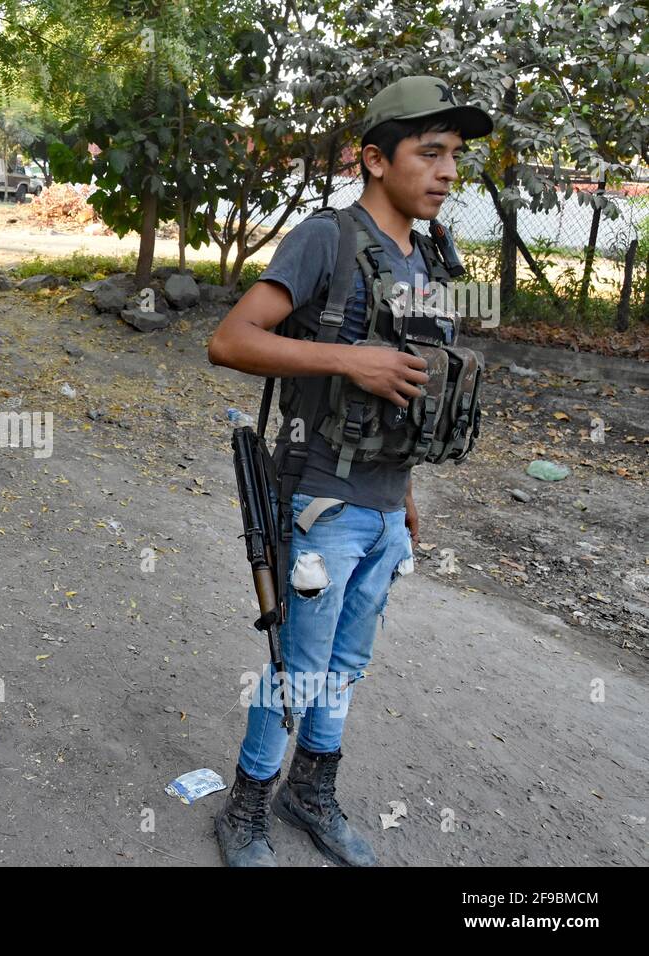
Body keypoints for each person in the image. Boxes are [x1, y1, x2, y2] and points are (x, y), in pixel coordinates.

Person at [206, 75, 493, 867]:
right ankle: (247, 807)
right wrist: (350, 360)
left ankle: (312, 791)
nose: (446, 173)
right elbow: (230, 339)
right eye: (428, 153)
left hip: (380, 507)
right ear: (374, 158)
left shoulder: (434, 254)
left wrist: (404, 496)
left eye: (455, 157)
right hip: (319, 506)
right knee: (297, 668)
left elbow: (412, 394)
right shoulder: (325, 238)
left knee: (345, 666)